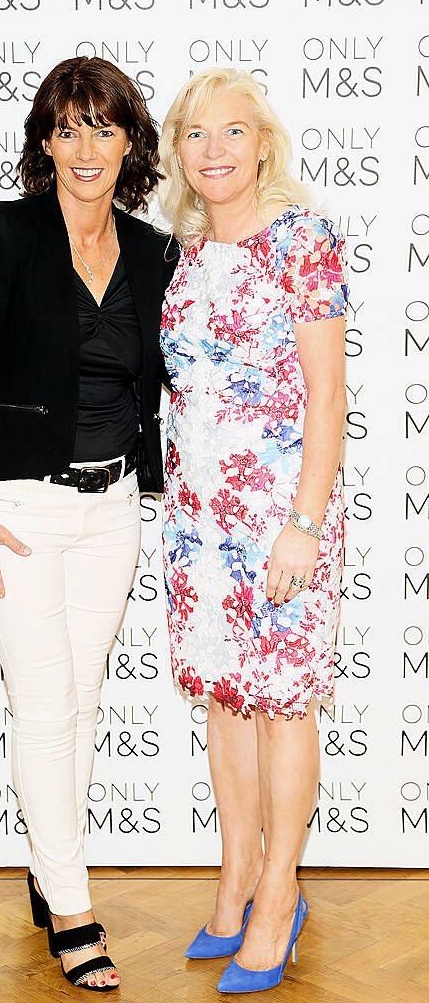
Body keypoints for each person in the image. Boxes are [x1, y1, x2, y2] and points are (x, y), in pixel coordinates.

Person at [0, 56, 177, 993]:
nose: (85, 147)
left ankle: (49, 869)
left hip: (114, 509)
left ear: (129, 144)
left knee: (80, 701)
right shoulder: (3, 234)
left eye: (103, 128)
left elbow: (163, 377)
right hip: (18, 513)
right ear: (46, 141)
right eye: (67, 127)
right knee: (44, 706)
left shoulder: (155, 251)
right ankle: (73, 909)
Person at [158, 67, 348, 993]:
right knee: (227, 699)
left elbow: (328, 395)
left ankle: (280, 894)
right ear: (179, 156)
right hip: (197, 520)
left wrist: (304, 523)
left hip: (281, 517)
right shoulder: (185, 253)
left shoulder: (302, 241)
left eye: (234, 132)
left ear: (263, 143)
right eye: (197, 134)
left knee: (282, 706)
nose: (216, 149)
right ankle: (235, 879)